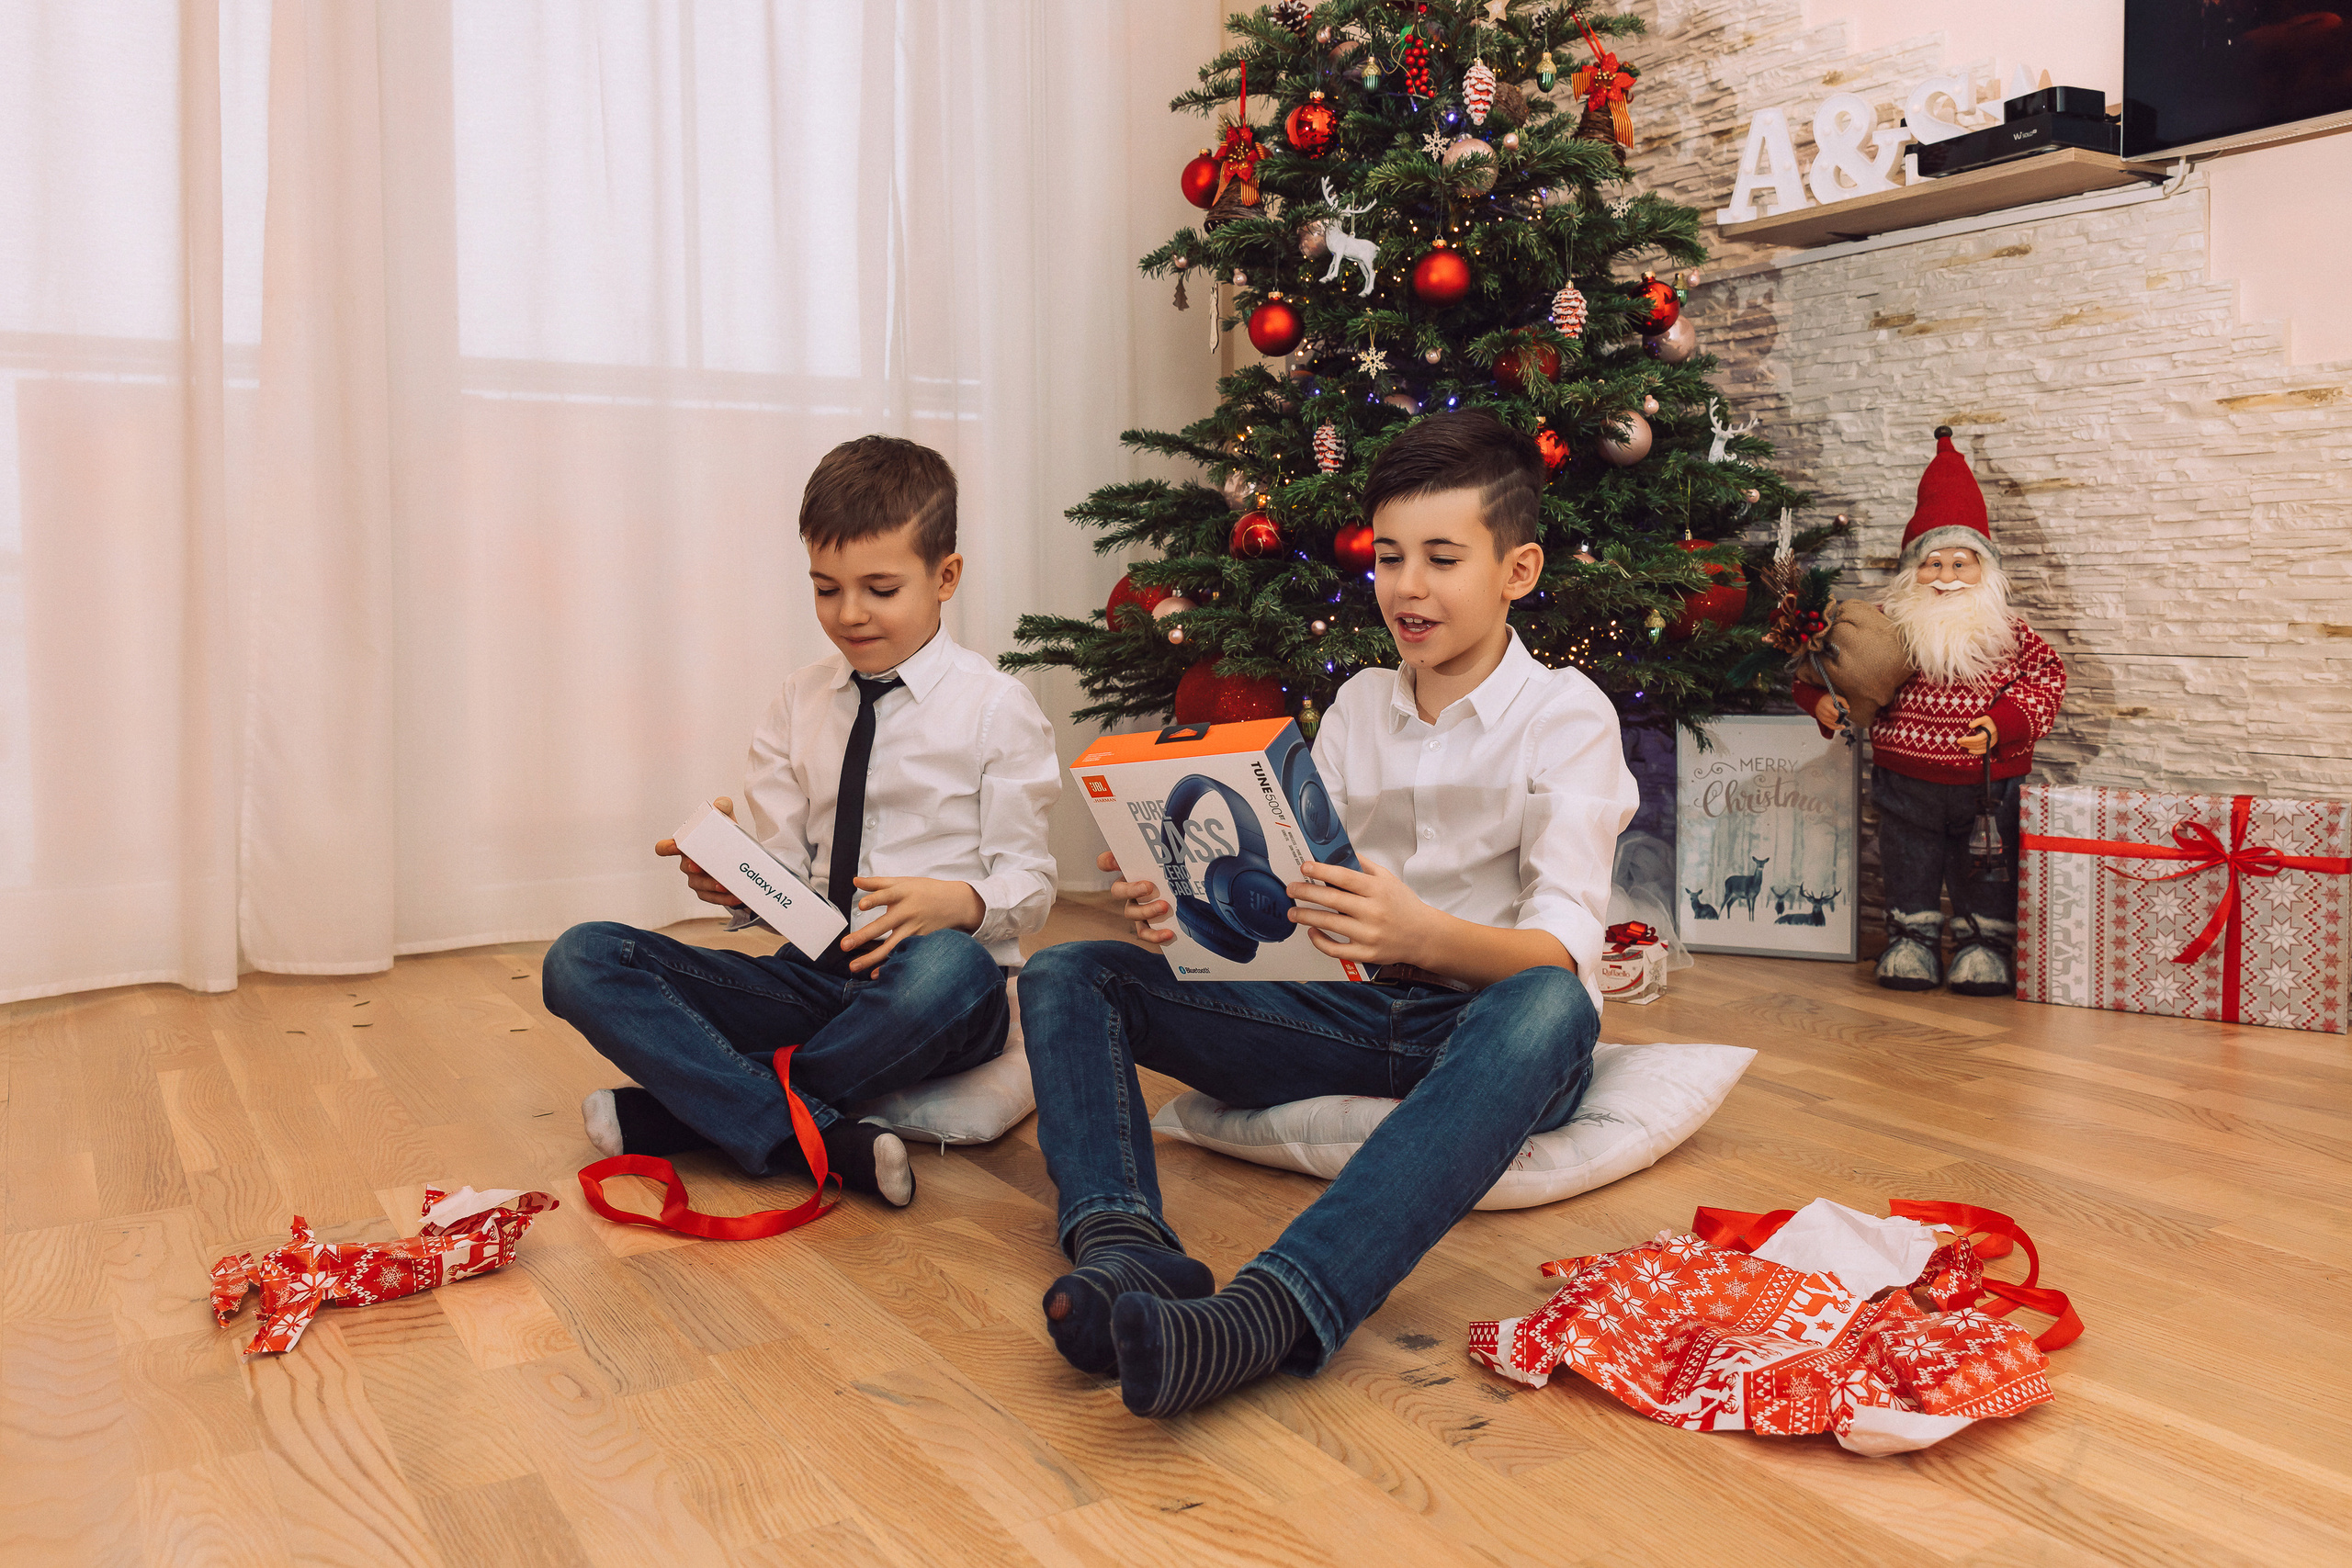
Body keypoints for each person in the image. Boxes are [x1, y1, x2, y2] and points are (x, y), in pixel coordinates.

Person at [1020, 411, 1639, 1417]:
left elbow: (1560, 947)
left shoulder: (1567, 715)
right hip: (1345, 1010)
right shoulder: (1356, 705)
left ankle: (1269, 1313)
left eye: (1442, 558)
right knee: (1065, 972)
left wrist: (1421, 936)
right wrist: (1180, 906)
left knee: (1550, 1005)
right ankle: (1124, 1248)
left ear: (1516, 571)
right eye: (1389, 557)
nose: (1407, 587)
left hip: (1484, 1031)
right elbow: (1297, 889)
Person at [543, 435, 1059, 1205]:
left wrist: (961, 904)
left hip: (939, 987)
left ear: (945, 576)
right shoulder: (798, 701)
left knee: (953, 968)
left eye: (880, 589)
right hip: (815, 973)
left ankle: (695, 1114)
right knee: (579, 958)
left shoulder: (996, 709)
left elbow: (1035, 880)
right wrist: (735, 879)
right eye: (826, 589)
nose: (849, 614)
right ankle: (803, 1133)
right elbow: (787, 878)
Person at [1795, 427, 2065, 995]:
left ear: (1985, 571)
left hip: (1988, 786)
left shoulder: (2010, 637)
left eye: (1961, 565)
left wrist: (2004, 724)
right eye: (1932, 564)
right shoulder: (1883, 627)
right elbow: (1823, 666)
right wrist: (1819, 701)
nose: (1945, 579)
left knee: (1985, 867)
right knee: (1907, 862)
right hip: (1904, 782)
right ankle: (1911, 939)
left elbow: (2047, 680)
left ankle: (1983, 945)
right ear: (1910, 571)